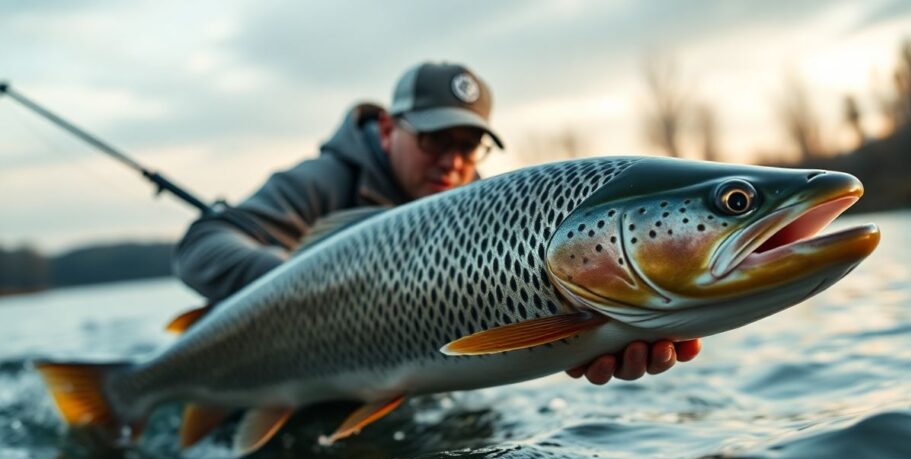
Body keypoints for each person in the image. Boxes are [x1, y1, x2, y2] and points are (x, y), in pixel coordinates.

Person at [173, 61, 700, 385]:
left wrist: (592, 336)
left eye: (468, 144)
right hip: (267, 366)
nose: (452, 160)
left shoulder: (491, 213)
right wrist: (304, 287)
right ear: (386, 129)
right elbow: (201, 245)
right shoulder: (323, 181)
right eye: (433, 138)